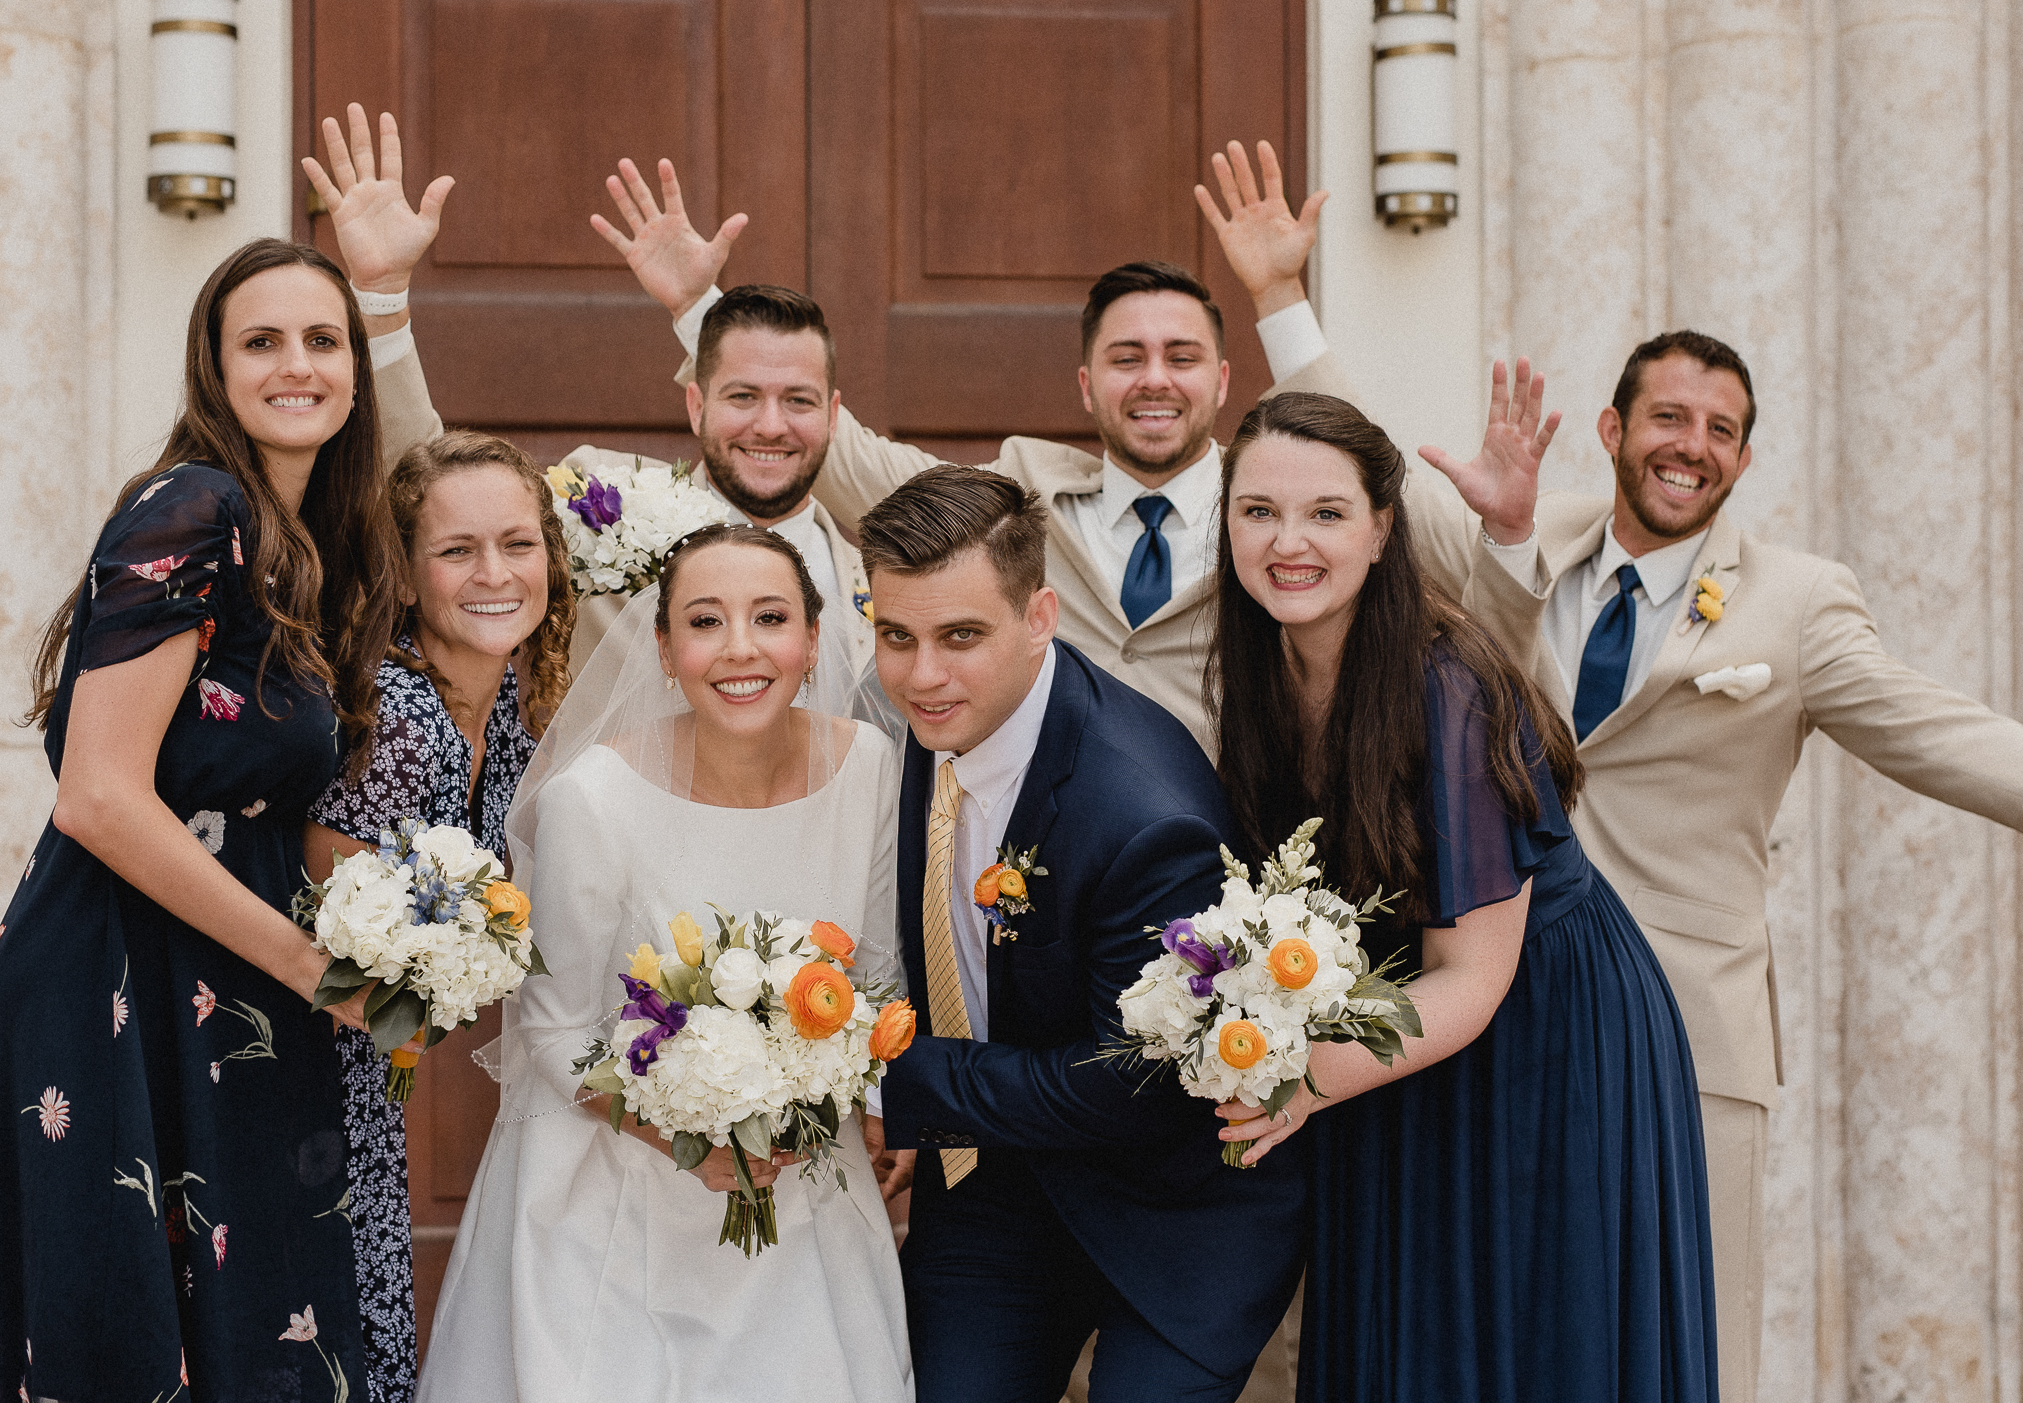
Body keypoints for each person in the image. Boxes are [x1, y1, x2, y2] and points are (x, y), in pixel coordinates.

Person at [1202, 135, 2023, 1403]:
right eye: (1667, 419)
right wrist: (1275, 298)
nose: (1689, 445)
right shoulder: (1506, 533)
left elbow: (1943, 735)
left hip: (1656, 1019)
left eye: (1721, 430)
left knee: (1652, 1342)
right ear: (1615, 428)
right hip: (1456, 1003)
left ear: (1743, 458)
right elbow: (1327, 476)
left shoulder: (1796, 605)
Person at [361, 153, 1545, 759]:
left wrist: (1284, 300)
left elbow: (1421, 539)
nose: (1154, 378)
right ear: (1085, 385)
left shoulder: (1282, 516)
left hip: (1220, 865)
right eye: (1126, 357)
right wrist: (699, 308)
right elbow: (804, 429)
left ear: (1226, 384)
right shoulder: (1009, 492)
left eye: (1183, 356)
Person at [0, 238, 404, 1400]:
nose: (295, 365)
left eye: (322, 339)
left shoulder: (307, 551)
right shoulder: (193, 506)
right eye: (261, 341)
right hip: (110, 988)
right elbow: (99, 793)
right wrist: (311, 965)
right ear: (213, 366)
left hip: (224, 993)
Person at [1210, 392, 1719, 1401]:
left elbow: (1475, 977)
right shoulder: (1262, 670)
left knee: (1530, 1341)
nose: (1288, 541)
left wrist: (1294, 1077)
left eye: (1324, 512)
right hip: (1405, 1029)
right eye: (1258, 510)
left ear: (1381, 528)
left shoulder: (1447, 687)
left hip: (1547, 1031)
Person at [413, 525, 910, 1402]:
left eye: (769, 617)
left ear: (814, 637)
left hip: (803, 1180)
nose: (741, 649)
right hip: (615, 1187)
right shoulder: (592, 800)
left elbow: (875, 976)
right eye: (706, 621)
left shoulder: (867, 764)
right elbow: (554, 1028)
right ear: (665, 649)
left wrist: (866, 1101)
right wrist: (680, 1134)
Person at [859, 466, 1306, 1403]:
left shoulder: (1142, 815)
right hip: (998, 1183)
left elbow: (1133, 1088)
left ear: (1040, 616)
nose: (921, 673)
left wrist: (894, 1082)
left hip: (1171, 1214)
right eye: (895, 635)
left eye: (960, 635)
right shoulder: (933, 715)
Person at [302, 112, 875, 675]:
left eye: (798, 401)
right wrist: (381, 297)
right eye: (743, 397)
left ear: (832, 414)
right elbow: (432, 487)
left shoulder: (881, 584)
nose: (770, 424)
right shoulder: (598, 499)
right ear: (696, 404)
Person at [301, 429, 575, 1398]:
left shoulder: (512, 713)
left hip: (369, 1082)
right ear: (406, 580)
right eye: (457, 550)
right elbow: (325, 944)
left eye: (518, 542)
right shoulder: (393, 716)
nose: (494, 572)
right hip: (293, 1082)